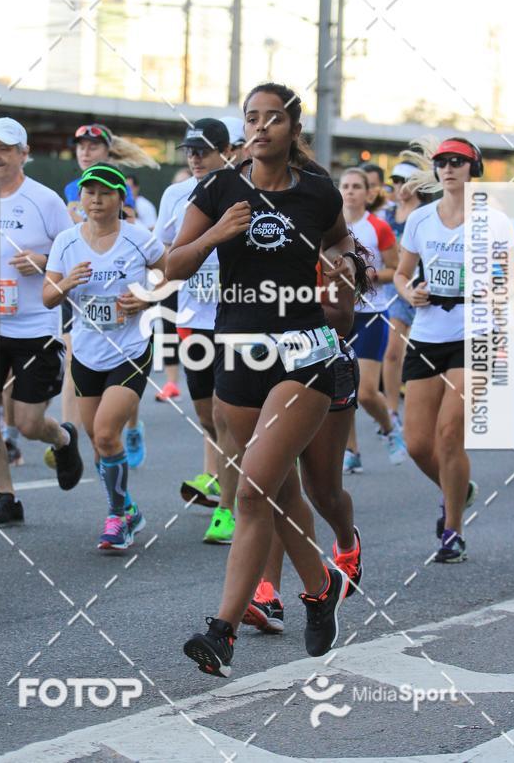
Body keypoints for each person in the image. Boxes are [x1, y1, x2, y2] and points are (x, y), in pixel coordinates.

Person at [168, 82, 358, 678]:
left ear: (292, 129)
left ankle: (221, 630)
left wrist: (347, 267)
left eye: (271, 119)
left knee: (252, 490)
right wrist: (216, 234)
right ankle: (321, 585)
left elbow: (339, 242)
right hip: (238, 353)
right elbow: (172, 266)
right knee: (278, 493)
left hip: (305, 354)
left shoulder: (320, 194)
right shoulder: (221, 186)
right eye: (250, 118)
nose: (259, 128)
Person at [244, 238, 372, 633]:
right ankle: (268, 591)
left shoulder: (332, 251)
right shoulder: (257, 241)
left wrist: (284, 312)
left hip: (326, 369)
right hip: (266, 367)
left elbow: (341, 317)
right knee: (273, 482)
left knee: (322, 491)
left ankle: (346, 542)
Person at [44, 163, 166, 551]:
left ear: (121, 198)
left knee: (107, 433)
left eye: (105, 192)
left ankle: (116, 518)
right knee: (100, 445)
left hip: (130, 351)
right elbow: (47, 296)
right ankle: (127, 508)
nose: (95, 199)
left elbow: (169, 276)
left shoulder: (138, 239)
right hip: (86, 355)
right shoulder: (66, 240)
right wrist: (67, 283)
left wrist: (146, 298)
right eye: (89, 192)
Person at [0, 117, 82, 527]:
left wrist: (43, 260)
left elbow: (72, 247)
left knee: (27, 421)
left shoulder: (45, 200)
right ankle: (7, 498)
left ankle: (62, 438)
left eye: (4, 148)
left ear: (23, 154)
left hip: (36, 326)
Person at [394, 138, 490, 562]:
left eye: (458, 162)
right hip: (428, 333)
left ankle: (452, 531)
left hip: (476, 331)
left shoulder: (491, 219)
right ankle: (458, 490)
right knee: (417, 444)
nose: (449, 168)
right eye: (443, 162)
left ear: (474, 169)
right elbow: (401, 273)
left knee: (450, 434)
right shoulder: (420, 219)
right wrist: (410, 291)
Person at [155, 118, 239, 543]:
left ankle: (227, 507)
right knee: (208, 417)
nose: (195, 158)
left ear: (228, 150)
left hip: (239, 321)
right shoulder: (174, 193)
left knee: (229, 413)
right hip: (193, 322)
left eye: (204, 150)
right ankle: (238, 473)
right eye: (190, 151)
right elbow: (160, 253)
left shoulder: (245, 190)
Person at [63, 123, 154, 467]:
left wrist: (147, 292)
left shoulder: (120, 186)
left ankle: (130, 425)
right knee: (75, 357)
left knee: (120, 363)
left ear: (107, 151)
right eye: (80, 146)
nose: (86, 151)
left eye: (93, 146)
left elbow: (130, 227)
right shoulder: (70, 188)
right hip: (81, 286)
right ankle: (70, 432)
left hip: (117, 288)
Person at [339, 168, 407, 471]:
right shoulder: (329, 226)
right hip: (338, 315)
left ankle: (390, 429)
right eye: (345, 186)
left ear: (369, 193)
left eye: (357, 186)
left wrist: (373, 275)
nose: (350, 191)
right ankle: (351, 451)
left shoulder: (378, 227)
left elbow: (397, 270)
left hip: (371, 313)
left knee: (365, 390)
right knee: (343, 390)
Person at [382, 140, 437, 425]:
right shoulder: (386, 214)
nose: (400, 186)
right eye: (396, 180)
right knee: (392, 352)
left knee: (422, 351)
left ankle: (425, 411)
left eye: (405, 180)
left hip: (427, 287)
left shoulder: (427, 215)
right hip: (396, 288)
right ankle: (392, 411)